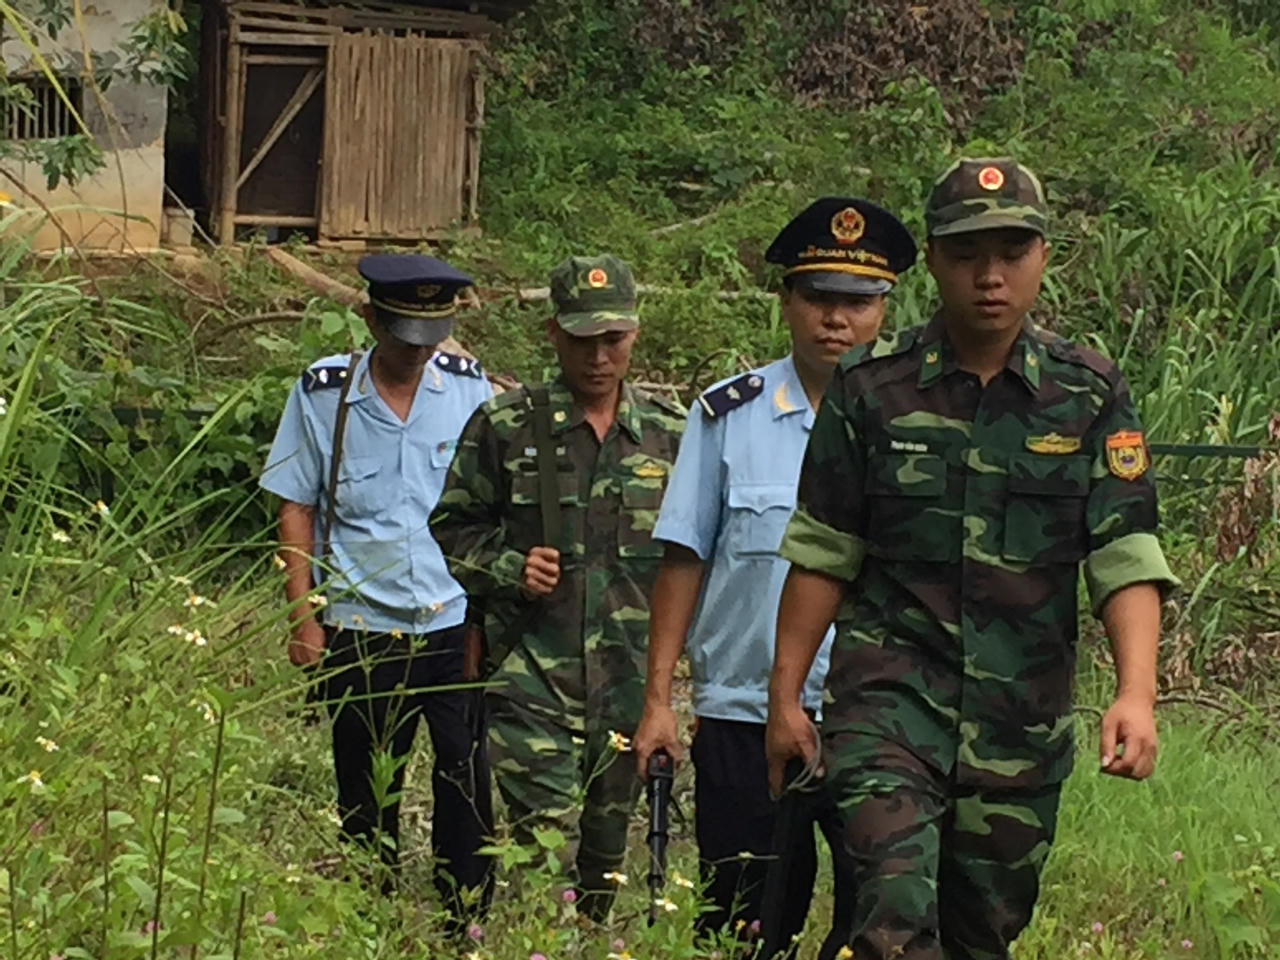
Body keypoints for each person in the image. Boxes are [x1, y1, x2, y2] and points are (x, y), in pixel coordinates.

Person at [765, 158, 1180, 960]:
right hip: (888, 707)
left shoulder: (1087, 394)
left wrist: (1137, 694)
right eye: (965, 255)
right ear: (932, 260)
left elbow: (1124, 551)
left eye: (1011, 253)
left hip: (1018, 726)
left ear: (1044, 257)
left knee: (981, 936)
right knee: (891, 914)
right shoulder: (871, 389)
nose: (990, 276)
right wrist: (786, 698)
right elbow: (824, 550)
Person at [632, 198, 917, 957]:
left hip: (877, 719)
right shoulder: (731, 416)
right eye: (819, 298)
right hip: (745, 712)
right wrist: (659, 701)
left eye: (858, 302)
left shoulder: (918, 423)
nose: (837, 320)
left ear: (884, 309)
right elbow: (684, 556)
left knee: (880, 926)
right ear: (786, 302)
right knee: (744, 924)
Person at [430, 253, 684, 921]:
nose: (598, 357)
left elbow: (696, 559)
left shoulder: (671, 435)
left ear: (634, 333)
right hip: (531, 679)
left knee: (605, 861)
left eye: (613, 340)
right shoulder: (508, 426)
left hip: (629, 687)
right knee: (547, 860)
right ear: (553, 334)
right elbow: (453, 526)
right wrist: (512, 569)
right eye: (580, 340)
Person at [260, 254, 495, 920]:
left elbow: (493, 504)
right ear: (369, 319)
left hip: (452, 621)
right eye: (402, 337)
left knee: (464, 780)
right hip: (361, 627)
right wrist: (304, 619)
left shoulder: (468, 388)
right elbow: (295, 505)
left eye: (430, 338)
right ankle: (369, 911)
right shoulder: (325, 393)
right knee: (365, 787)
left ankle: (464, 916)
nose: (416, 354)